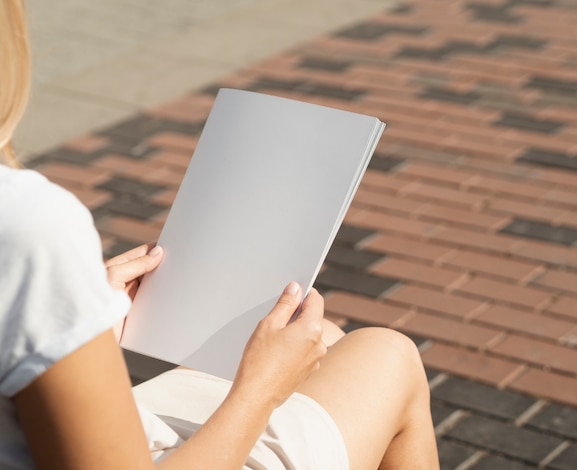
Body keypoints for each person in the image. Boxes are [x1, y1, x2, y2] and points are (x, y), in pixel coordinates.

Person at [0, 1, 440, 468]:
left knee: (325, 337)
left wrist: (75, 321)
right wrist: (261, 391)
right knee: (389, 354)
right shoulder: (29, 222)